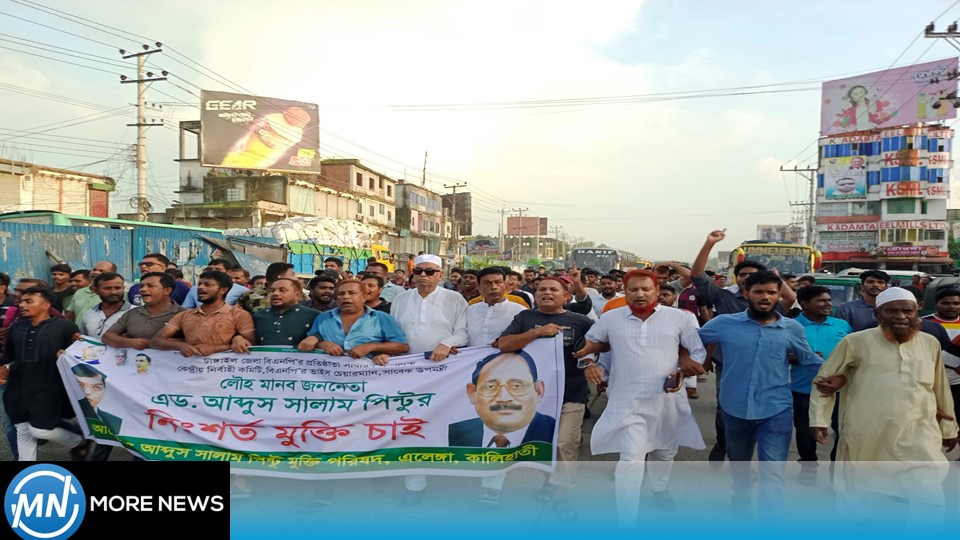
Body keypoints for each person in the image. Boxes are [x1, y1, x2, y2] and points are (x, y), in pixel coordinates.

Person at [810, 288, 958, 528]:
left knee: (928, 485)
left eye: (907, 310)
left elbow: (940, 387)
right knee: (857, 484)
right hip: (866, 430)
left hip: (919, 430)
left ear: (917, 311)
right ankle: (855, 526)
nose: (901, 316)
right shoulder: (855, 341)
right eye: (892, 310)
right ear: (878, 313)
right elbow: (824, 381)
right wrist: (818, 419)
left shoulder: (929, 343)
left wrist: (949, 428)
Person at [576, 269, 706, 528]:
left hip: (667, 398)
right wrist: (590, 363)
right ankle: (627, 520)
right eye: (633, 289)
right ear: (625, 291)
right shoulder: (611, 318)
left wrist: (684, 373)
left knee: (665, 450)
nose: (640, 294)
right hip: (626, 398)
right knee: (631, 457)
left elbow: (697, 350)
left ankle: (659, 488)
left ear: (657, 291)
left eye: (646, 289)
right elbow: (589, 345)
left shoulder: (679, 318)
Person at [698, 271, 821, 518]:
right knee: (740, 465)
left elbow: (810, 361)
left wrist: (842, 376)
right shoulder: (724, 324)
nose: (765, 297)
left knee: (773, 472)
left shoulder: (792, 328)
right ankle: (740, 498)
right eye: (759, 292)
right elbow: (689, 341)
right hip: (734, 408)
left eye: (771, 292)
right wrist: (688, 362)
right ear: (746, 294)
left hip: (776, 409)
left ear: (778, 295)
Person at [688, 230, 797, 466]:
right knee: (725, 408)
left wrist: (775, 278)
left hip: (768, 366)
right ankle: (724, 442)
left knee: (770, 411)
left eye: (754, 276)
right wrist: (709, 244)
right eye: (743, 275)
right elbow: (696, 276)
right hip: (729, 363)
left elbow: (789, 300)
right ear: (738, 280)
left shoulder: (770, 299)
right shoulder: (724, 296)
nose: (748, 278)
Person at [497, 276, 594, 520]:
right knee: (544, 444)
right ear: (535, 294)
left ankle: (562, 497)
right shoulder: (525, 318)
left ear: (565, 296)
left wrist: (591, 361)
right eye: (542, 289)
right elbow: (504, 344)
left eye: (553, 289)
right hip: (534, 396)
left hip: (571, 393)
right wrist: (537, 333)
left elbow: (598, 346)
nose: (547, 293)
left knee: (565, 444)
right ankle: (549, 481)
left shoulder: (581, 321)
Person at [390, 254, 468, 505]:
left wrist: (447, 343)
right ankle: (414, 483)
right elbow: (393, 333)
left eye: (430, 271)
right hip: (406, 372)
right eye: (419, 271)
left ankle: (445, 469)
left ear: (440, 276)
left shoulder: (454, 299)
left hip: (444, 372)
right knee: (411, 424)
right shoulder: (401, 299)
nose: (423, 275)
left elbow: (463, 332)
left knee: (442, 423)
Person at [1, 287, 91, 461]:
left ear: (45, 305)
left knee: (39, 429)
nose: (22, 305)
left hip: (49, 387)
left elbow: (77, 354)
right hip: (18, 386)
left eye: (29, 301)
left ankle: (78, 441)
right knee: (22, 428)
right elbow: (10, 356)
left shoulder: (65, 326)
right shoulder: (17, 328)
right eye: (22, 301)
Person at [790, 285, 851, 485]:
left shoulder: (841, 326)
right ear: (805, 304)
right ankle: (808, 466)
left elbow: (855, 353)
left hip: (840, 390)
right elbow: (776, 353)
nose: (828, 304)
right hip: (804, 388)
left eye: (829, 300)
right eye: (822, 301)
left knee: (843, 430)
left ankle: (836, 468)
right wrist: (795, 358)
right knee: (806, 430)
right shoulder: (791, 326)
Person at [448, 351, 555, 446]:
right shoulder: (455, 434)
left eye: (517, 386)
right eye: (491, 387)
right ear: (472, 393)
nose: (504, 398)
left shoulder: (557, 432)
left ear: (538, 391)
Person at [298, 279, 408, 365]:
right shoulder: (323, 318)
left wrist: (371, 347)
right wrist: (322, 344)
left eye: (352, 293)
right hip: (328, 379)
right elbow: (309, 342)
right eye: (341, 294)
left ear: (364, 296)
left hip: (368, 379)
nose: (346, 297)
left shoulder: (381, 318)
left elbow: (402, 346)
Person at [150, 270, 256, 358]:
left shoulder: (238, 315)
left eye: (208, 285)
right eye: (199, 284)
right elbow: (156, 341)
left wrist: (216, 348)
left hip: (226, 373)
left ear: (223, 290)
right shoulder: (185, 315)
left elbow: (253, 345)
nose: (201, 288)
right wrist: (180, 345)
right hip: (188, 372)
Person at [102, 272, 184, 351]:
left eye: (150, 286)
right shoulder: (132, 313)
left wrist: (164, 342)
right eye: (141, 286)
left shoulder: (184, 314)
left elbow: (193, 341)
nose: (143, 290)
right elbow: (107, 336)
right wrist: (130, 342)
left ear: (167, 290)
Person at [923, 288, 960, 424]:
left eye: (956, 303)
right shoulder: (924, 323)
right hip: (933, 376)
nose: (952, 307)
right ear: (936, 304)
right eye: (946, 303)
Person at [466, 267, 527, 348]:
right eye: (487, 283)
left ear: (505, 285)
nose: (494, 287)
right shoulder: (470, 310)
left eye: (498, 282)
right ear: (479, 287)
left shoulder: (520, 311)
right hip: (472, 359)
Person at [253, 278, 320, 346]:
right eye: (272, 290)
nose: (275, 293)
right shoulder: (258, 315)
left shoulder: (314, 316)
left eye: (282, 290)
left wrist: (316, 337)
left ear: (297, 295)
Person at [71, 363, 122, 435]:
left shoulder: (116, 422)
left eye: (96, 387)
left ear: (105, 390)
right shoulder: (77, 415)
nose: (88, 392)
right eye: (81, 385)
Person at [79, 272, 132, 339]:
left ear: (123, 288)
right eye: (107, 288)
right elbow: (84, 339)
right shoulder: (89, 314)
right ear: (96, 290)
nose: (113, 292)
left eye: (117, 288)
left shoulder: (136, 313)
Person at [182, 259, 248, 309]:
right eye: (210, 269)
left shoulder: (242, 290)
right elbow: (187, 308)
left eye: (218, 269)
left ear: (229, 272)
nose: (213, 271)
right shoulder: (196, 288)